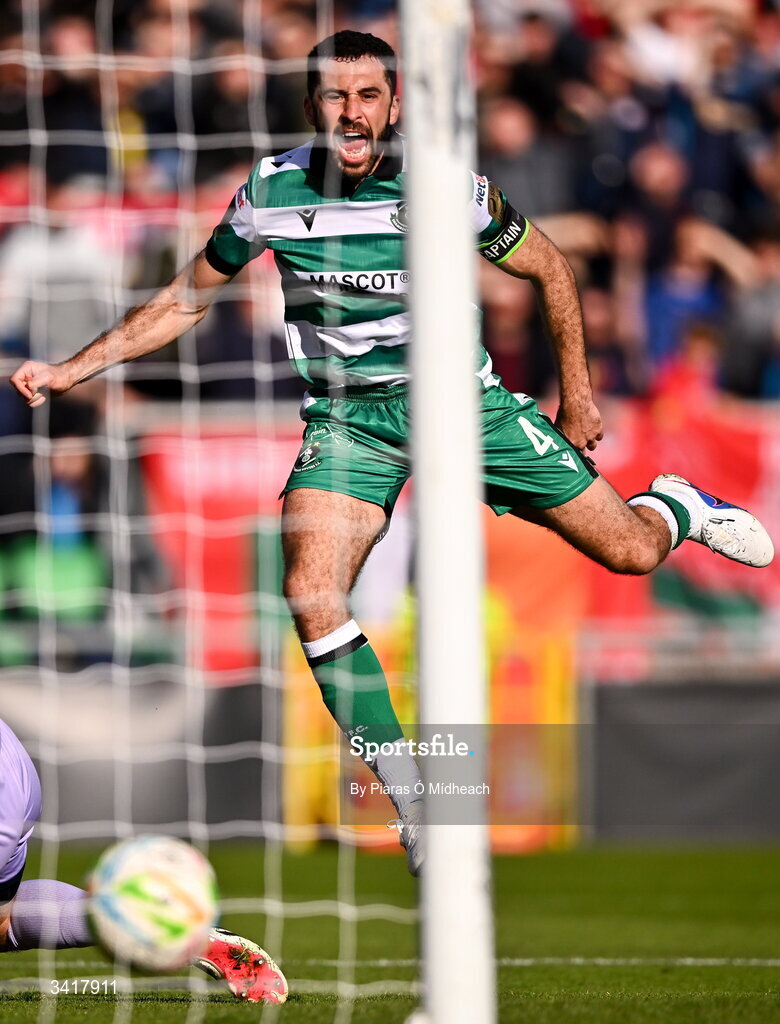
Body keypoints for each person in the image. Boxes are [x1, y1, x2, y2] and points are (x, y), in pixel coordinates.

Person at [10, 30, 774, 878]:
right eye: (335, 97)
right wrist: (76, 367)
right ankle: (412, 794)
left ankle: (678, 505)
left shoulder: (445, 186)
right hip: (349, 421)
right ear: (311, 108)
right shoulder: (270, 190)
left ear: (393, 105)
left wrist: (580, 393)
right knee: (309, 591)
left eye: (368, 96)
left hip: (461, 406)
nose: (352, 113)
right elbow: (189, 299)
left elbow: (553, 269)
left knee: (630, 552)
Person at [0, 717, 287, 1003]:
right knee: (3, 919)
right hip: (12, 767)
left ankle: (158, 922)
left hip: (7, 794)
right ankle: (158, 920)